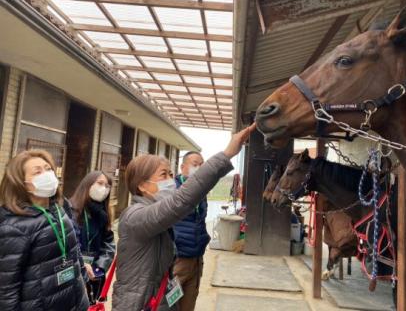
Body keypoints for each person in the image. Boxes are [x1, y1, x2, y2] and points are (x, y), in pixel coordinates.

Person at [112, 124, 255, 311]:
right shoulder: (135, 216)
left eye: (171, 174)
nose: (170, 181)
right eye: (164, 175)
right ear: (142, 186)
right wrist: (226, 154)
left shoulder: (154, 214)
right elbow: (180, 201)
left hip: (160, 298)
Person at [0, 149, 89, 311]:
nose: (47, 174)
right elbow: (6, 290)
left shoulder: (60, 210)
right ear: (22, 183)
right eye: (37, 172)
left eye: (48, 169)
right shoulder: (13, 227)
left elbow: (74, 253)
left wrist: (83, 281)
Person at [70, 171, 116, 304]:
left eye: (107, 186)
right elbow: (68, 244)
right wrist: (81, 264)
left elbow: (109, 244)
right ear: (87, 184)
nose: (104, 189)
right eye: (100, 183)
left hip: (94, 274)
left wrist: (99, 267)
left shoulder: (103, 214)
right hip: (74, 271)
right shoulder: (70, 209)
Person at [172, 151, 208, 311]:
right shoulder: (172, 190)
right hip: (178, 261)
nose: (199, 168)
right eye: (195, 164)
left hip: (196, 260)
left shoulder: (201, 191)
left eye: (201, 165)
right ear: (182, 166)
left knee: (188, 304)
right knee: (170, 303)